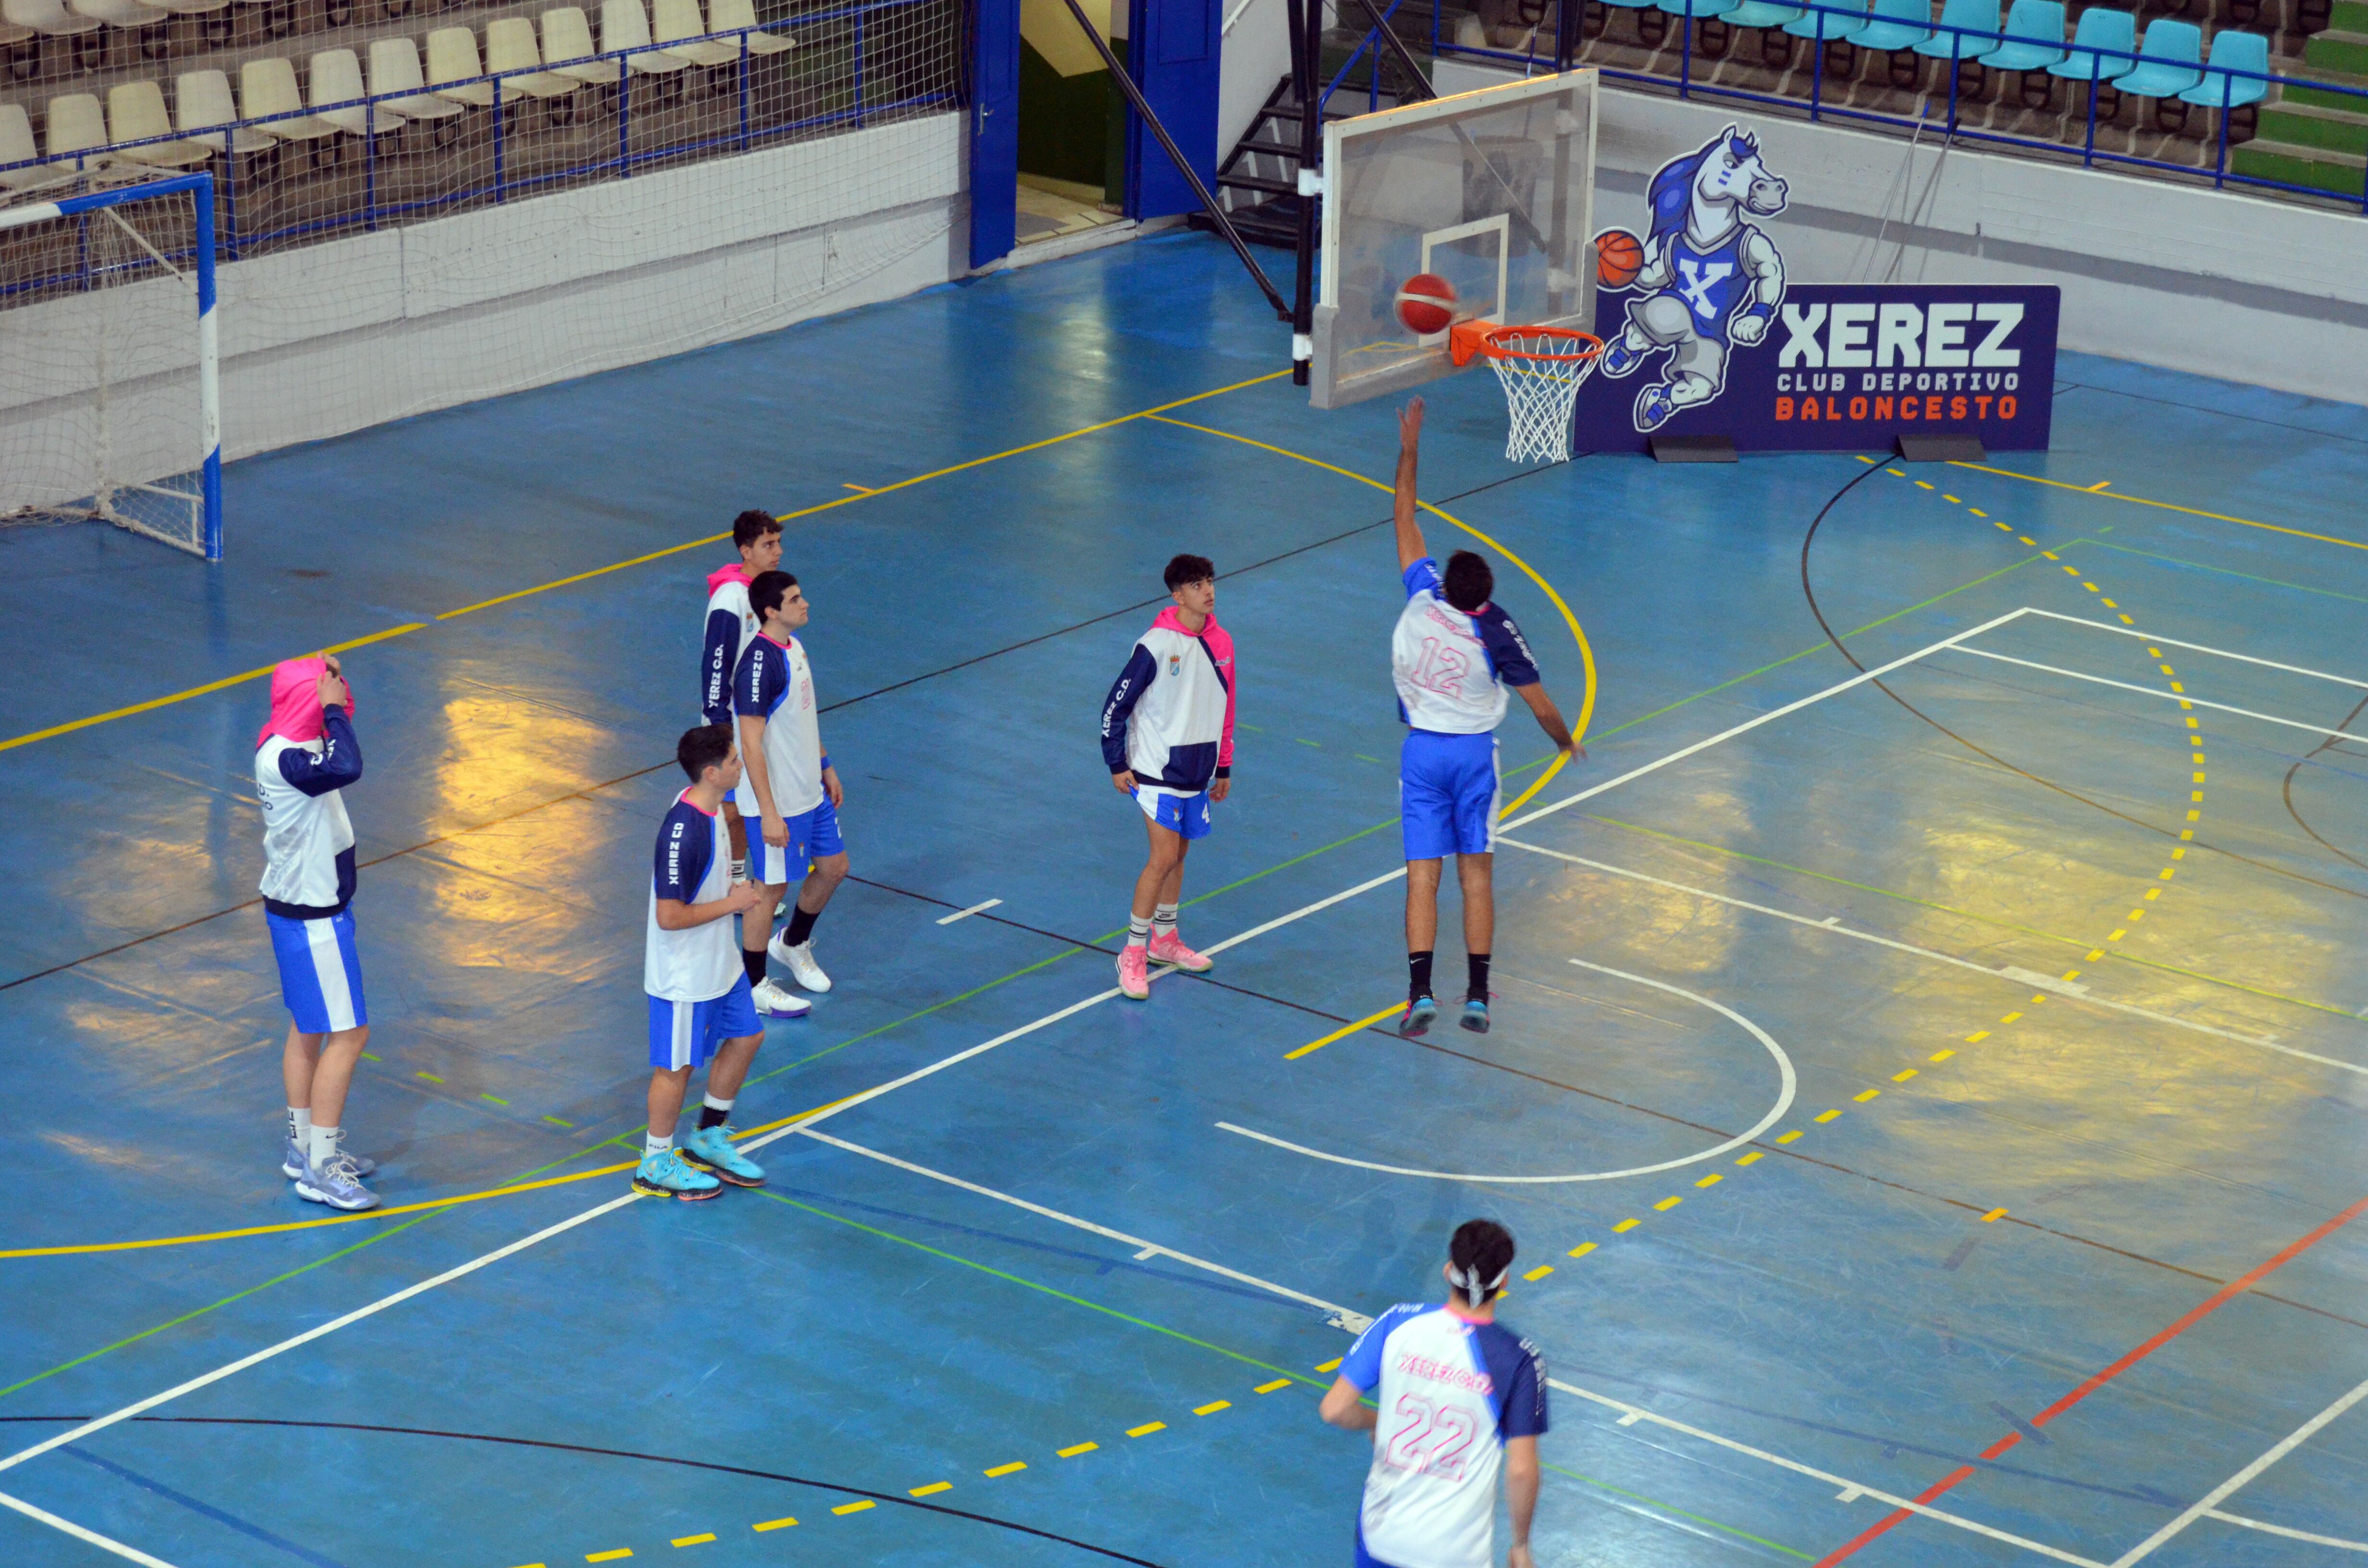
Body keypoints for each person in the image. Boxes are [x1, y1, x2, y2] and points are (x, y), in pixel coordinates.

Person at [1389, 397, 1576, 1038]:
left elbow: (1404, 514)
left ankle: (1418, 996)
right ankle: (1476, 998)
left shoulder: (1421, 598)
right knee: (1476, 876)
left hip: (1421, 755)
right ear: (1487, 591)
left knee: (1422, 877)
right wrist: (1564, 743)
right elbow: (1540, 702)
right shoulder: (1496, 628)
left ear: (1447, 582)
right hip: (1472, 760)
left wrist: (1411, 446)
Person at [1320, 1220, 1547, 1568]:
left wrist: (1382, 1421)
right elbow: (1520, 1470)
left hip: (1380, 1536)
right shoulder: (1519, 1360)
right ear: (1504, 1281)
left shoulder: (1397, 1322)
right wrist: (1520, 1545)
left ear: (1447, 1271)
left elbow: (1335, 1409)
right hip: (1454, 1554)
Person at [256, 655, 378, 1213]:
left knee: (308, 1026)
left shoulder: (279, 743)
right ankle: (323, 1168)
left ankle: (302, 1145)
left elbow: (336, 731)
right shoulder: (293, 764)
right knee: (349, 1035)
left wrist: (325, 681)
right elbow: (348, 762)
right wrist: (331, 707)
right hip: (314, 920)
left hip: (298, 909)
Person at [639, 725, 774, 1200]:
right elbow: (669, 916)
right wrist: (735, 903)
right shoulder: (684, 831)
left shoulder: (715, 806)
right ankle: (655, 1163)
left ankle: (706, 1139)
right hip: (684, 974)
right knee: (676, 1067)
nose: (744, 766)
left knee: (746, 1036)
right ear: (713, 773)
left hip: (720, 960)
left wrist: (737, 881)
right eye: (736, 761)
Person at [1099, 553, 1235, 1001]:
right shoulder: (1154, 646)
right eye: (1198, 585)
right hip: (1156, 770)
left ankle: (1165, 939)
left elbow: (1226, 708)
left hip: (1197, 771)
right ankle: (1133, 953)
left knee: (1178, 854)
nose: (1209, 591)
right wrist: (1117, 763)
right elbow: (1114, 708)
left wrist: (1223, 766)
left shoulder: (1223, 644)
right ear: (1178, 595)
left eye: (1210, 582)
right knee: (1161, 857)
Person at [732, 568, 847, 1016]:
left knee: (835, 868)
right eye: (795, 599)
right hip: (777, 802)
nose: (805, 604)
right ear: (771, 611)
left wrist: (825, 765)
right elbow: (751, 742)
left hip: (810, 793)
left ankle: (793, 943)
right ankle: (755, 983)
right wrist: (768, 812)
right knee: (771, 889)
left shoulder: (794, 648)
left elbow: (803, 719)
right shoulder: (758, 666)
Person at [700, 509, 785, 882]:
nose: (777, 551)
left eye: (779, 542)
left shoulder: (768, 591)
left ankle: (735, 878)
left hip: (760, 719)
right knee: (730, 809)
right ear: (745, 551)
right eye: (768, 545)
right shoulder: (730, 599)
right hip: (731, 723)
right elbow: (716, 664)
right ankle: (717, 880)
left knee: (747, 804)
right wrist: (720, 725)